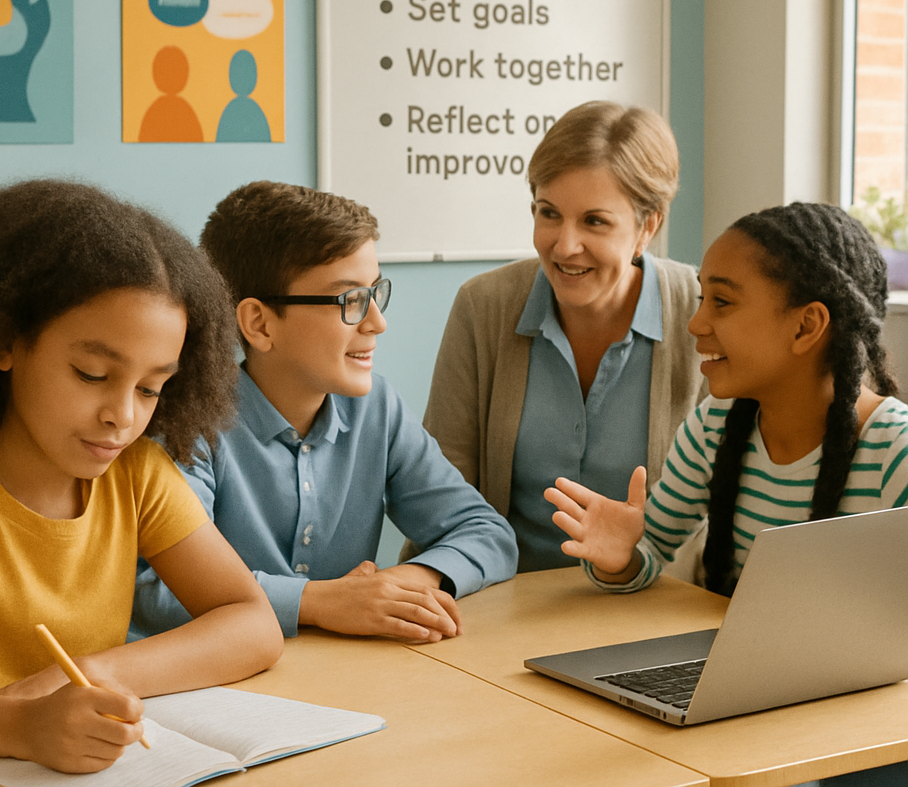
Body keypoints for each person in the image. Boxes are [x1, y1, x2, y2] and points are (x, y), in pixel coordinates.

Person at [0, 179, 283, 773]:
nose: (122, 416)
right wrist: (18, 725)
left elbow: (253, 625)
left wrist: (94, 672)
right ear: (6, 341)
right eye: (92, 373)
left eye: (151, 388)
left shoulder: (137, 476)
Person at [131, 180, 518, 642]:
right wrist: (318, 602)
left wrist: (407, 586)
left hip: (341, 681)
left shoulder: (377, 409)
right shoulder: (187, 424)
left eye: (376, 293)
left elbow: (487, 532)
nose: (377, 321)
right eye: (350, 300)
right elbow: (152, 589)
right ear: (259, 323)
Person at [545, 201, 908, 595]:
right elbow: (650, 551)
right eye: (703, 298)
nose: (696, 323)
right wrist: (621, 557)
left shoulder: (895, 453)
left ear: (806, 327)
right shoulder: (712, 425)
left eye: (722, 301)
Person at [419, 101, 704, 574]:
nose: (565, 245)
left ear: (647, 226)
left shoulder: (700, 313)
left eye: (594, 221)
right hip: (505, 600)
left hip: (659, 609)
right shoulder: (482, 306)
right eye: (549, 213)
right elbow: (442, 495)